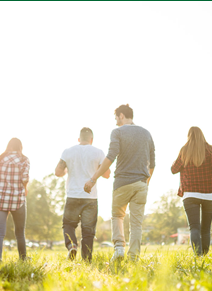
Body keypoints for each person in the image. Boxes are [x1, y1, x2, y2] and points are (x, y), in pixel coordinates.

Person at [84, 104, 155, 263]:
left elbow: (110, 157)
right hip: (141, 184)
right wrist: (146, 183)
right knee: (136, 223)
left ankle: (119, 250)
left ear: (122, 115)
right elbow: (152, 164)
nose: (116, 121)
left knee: (117, 216)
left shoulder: (117, 132)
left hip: (122, 183)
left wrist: (93, 178)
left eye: (116, 117)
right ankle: (134, 257)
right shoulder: (146, 133)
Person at [171, 126, 212, 256]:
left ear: (189, 137)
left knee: (194, 228)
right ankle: (205, 256)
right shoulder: (211, 150)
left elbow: (174, 169)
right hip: (210, 194)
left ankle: (198, 256)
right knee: (205, 229)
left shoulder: (184, 151)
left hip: (190, 194)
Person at [55, 127, 110, 261]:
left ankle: (72, 245)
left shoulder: (68, 151)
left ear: (79, 139)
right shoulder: (98, 152)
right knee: (88, 231)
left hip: (73, 195)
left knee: (68, 224)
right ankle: (86, 260)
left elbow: (58, 172)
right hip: (90, 197)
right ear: (92, 140)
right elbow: (107, 175)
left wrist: (68, 170)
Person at [0, 138, 30, 263]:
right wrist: (24, 187)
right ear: (20, 147)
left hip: (0, 199)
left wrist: (0, 185)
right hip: (17, 199)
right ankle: (22, 259)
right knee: (19, 232)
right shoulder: (24, 160)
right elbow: (25, 178)